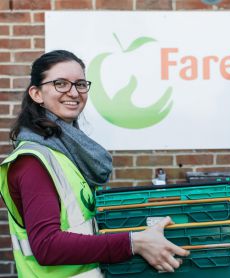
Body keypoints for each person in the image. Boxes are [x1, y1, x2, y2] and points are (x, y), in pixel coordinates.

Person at [0, 50, 189, 277]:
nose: (73, 92)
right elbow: (46, 246)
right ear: (37, 94)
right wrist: (133, 243)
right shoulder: (32, 161)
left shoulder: (65, 153)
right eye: (60, 83)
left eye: (80, 84)